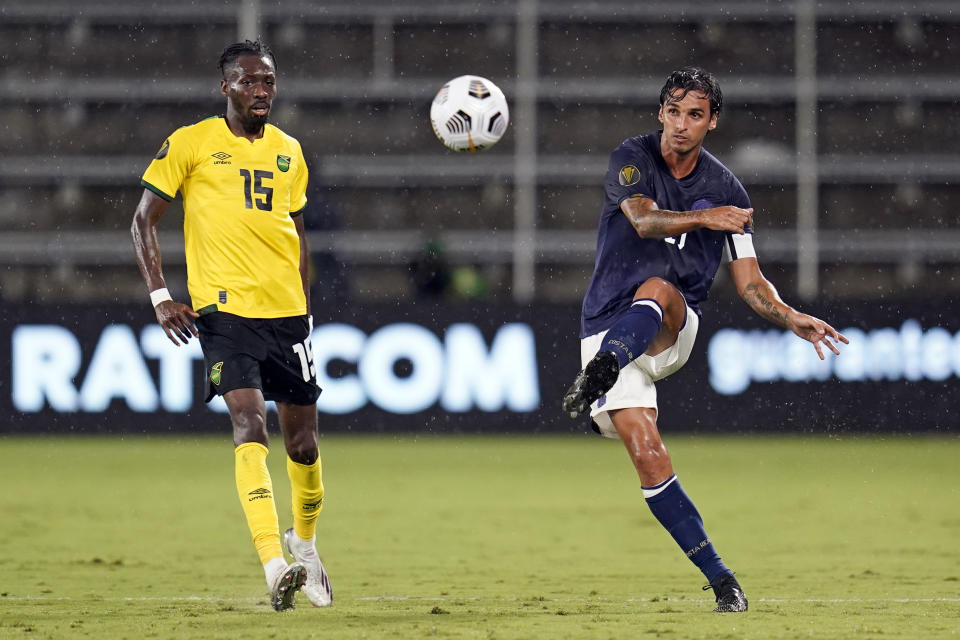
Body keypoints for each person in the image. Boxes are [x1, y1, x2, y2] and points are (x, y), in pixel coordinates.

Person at [562, 67, 848, 613]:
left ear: (712, 121)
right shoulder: (633, 158)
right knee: (649, 457)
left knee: (659, 287)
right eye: (673, 111)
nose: (680, 124)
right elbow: (644, 222)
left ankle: (602, 370)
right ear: (660, 113)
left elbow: (749, 283)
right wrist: (707, 218)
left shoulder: (726, 189)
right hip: (607, 324)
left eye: (695, 114)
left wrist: (791, 317)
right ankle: (724, 581)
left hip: (672, 326)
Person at [131, 39, 333, 612]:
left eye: (268, 81)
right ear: (227, 87)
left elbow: (295, 233)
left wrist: (306, 306)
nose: (261, 91)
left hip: (288, 314)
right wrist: (161, 297)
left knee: (305, 444)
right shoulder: (191, 143)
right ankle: (275, 565)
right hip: (224, 313)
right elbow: (142, 221)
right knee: (249, 425)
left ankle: (306, 545)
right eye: (249, 82)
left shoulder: (291, 152)